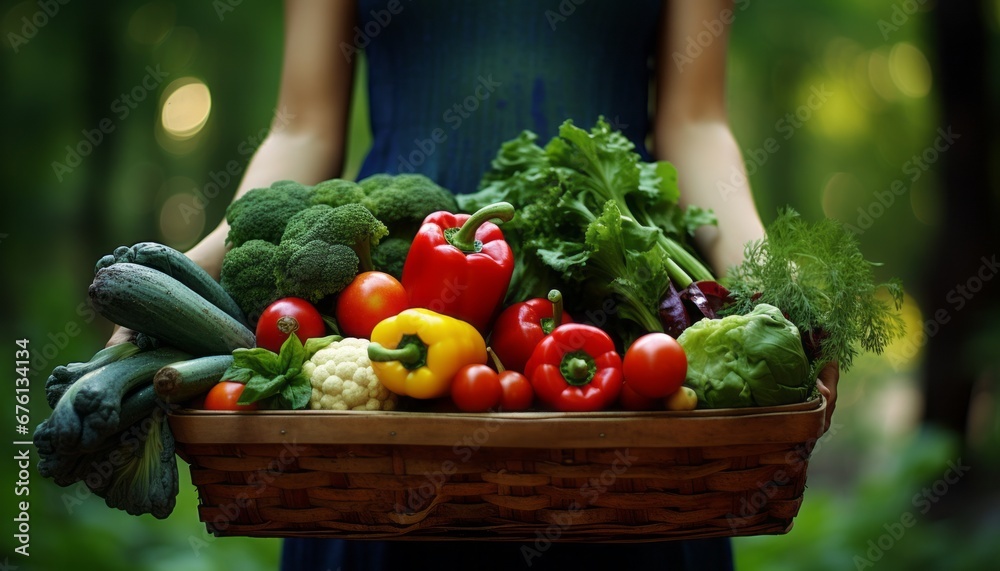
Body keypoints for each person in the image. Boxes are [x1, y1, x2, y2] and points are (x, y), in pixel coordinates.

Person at [116, 1, 839, 568]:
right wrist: (182, 273)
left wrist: (777, 282)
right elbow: (303, 127)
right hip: (386, 309)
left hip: (615, 315)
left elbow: (697, 124)